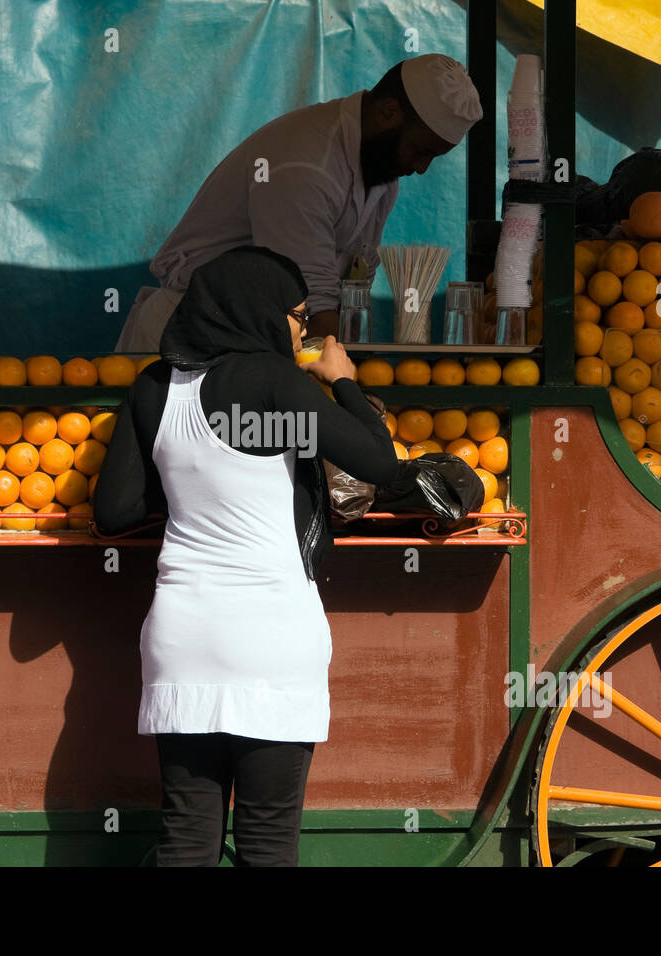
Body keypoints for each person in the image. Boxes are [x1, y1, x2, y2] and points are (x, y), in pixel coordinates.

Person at [93, 245, 402, 866]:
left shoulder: (154, 388)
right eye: (297, 315)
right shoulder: (273, 383)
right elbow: (380, 465)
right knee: (266, 843)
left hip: (183, 634)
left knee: (186, 841)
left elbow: (114, 511)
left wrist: (190, 485)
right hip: (272, 634)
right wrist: (341, 377)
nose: (305, 331)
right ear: (258, 310)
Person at [113, 53, 482, 351]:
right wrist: (351, 395)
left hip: (254, 340)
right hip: (193, 334)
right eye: (421, 151)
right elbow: (313, 307)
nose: (421, 168)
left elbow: (349, 291)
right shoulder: (306, 164)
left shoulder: (382, 174)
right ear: (388, 113)